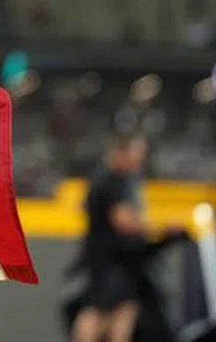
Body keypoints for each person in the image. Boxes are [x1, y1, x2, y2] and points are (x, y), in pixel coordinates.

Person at [72, 133, 183, 342]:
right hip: (112, 262)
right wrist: (159, 228)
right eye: (135, 152)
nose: (140, 157)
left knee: (121, 312)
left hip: (113, 261)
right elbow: (124, 222)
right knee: (97, 313)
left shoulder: (104, 179)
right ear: (121, 153)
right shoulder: (112, 181)